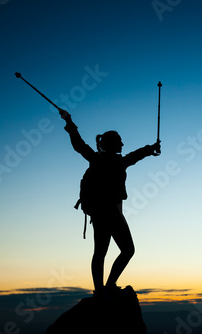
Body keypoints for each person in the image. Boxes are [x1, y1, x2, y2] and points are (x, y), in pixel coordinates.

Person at [59, 108, 160, 298]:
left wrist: (70, 123)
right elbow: (134, 156)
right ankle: (108, 286)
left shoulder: (100, 160)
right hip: (110, 212)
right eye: (119, 140)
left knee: (100, 252)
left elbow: (80, 145)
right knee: (127, 250)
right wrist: (151, 149)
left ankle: (101, 290)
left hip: (99, 213)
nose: (122, 143)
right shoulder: (113, 162)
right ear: (112, 143)